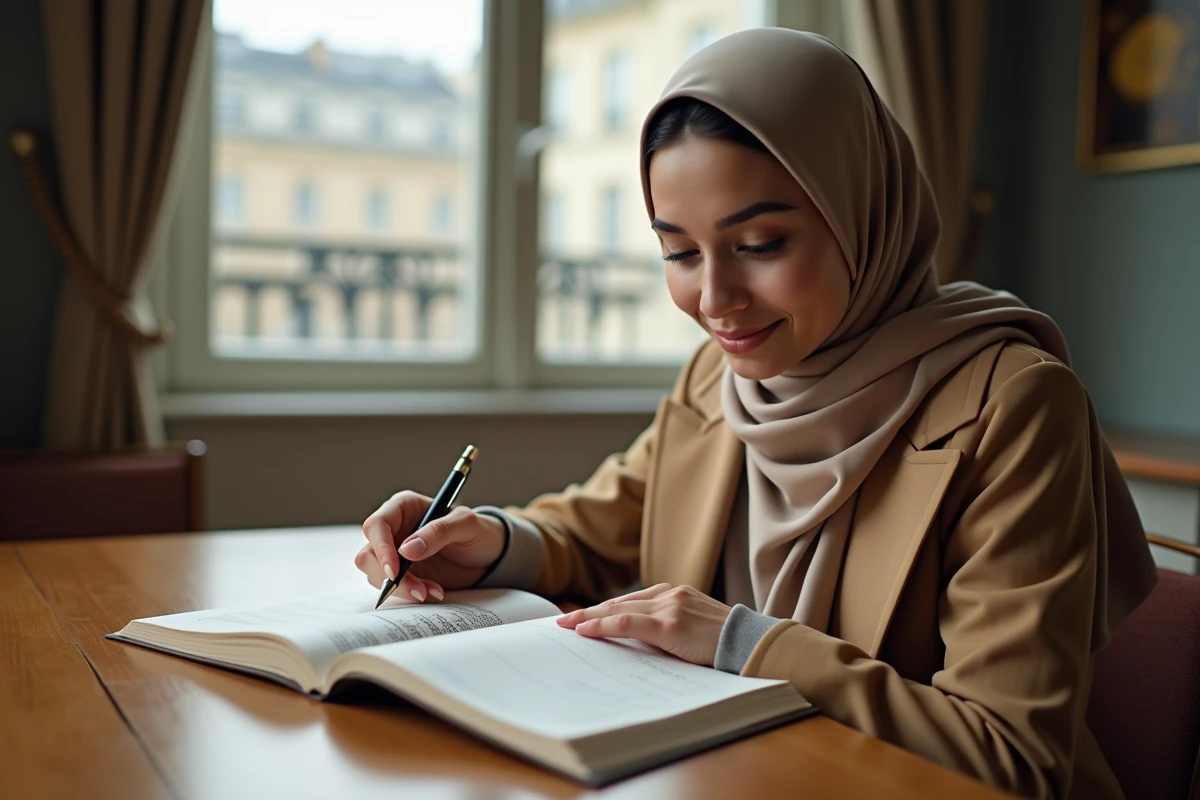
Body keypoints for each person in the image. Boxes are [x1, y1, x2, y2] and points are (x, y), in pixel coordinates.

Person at [354, 28, 1156, 800]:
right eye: (678, 251)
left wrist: (744, 644)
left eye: (762, 243)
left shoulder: (1010, 403)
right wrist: (483, 541)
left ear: (862, 212)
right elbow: (597, 531)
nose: (714, 300)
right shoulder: (722, 376)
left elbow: (1009, 758)